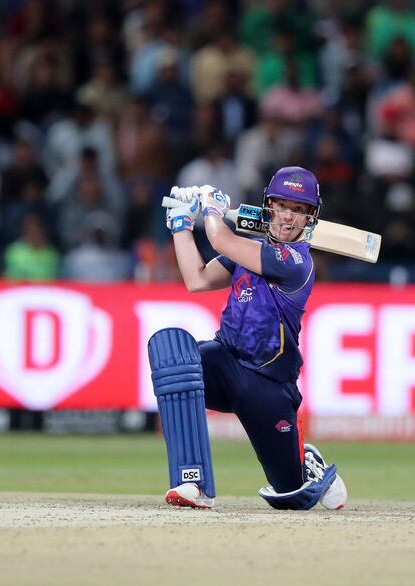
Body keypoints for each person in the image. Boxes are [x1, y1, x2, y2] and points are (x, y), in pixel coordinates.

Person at [148, 166, 347, 511]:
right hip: (225, 360)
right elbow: (197, 280)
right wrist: (181, 223)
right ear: (268, 206)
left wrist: (210, 208)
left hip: (267, 384)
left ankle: (304, 462)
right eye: (282, 206)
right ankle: (191, 480)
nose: (288, 217)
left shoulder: (296, 261)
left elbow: (220, 239)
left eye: (298, 210)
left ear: (310, 217)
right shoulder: (248, 249)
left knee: (290, 498)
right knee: (175, 359)